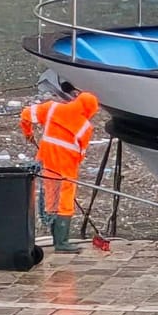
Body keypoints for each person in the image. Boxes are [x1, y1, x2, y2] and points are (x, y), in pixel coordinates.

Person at [20, 90, 100, 253]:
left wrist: (28, 133)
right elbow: (81, 153)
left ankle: (57, 238)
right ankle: (61, 243)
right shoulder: (85, 126)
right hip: (66, 168)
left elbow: (25, 115)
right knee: (65, 203)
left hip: (47, 163)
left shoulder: (52, 108)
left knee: (52, 200)